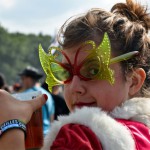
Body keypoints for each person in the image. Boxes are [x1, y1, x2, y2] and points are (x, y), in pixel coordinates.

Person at [0, 0, 150, 149]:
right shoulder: (143, 133)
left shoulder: (78, 137)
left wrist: (11, 125)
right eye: (66, 73)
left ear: (134, 81)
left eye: (93, 71)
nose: (75, 87)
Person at [18, 66, 55, 136]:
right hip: (48, 135)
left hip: (33, 138)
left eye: (22, 78)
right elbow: (51, 118)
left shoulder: (25, 95)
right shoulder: (48, 95)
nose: (21, 81)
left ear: (28, 79)